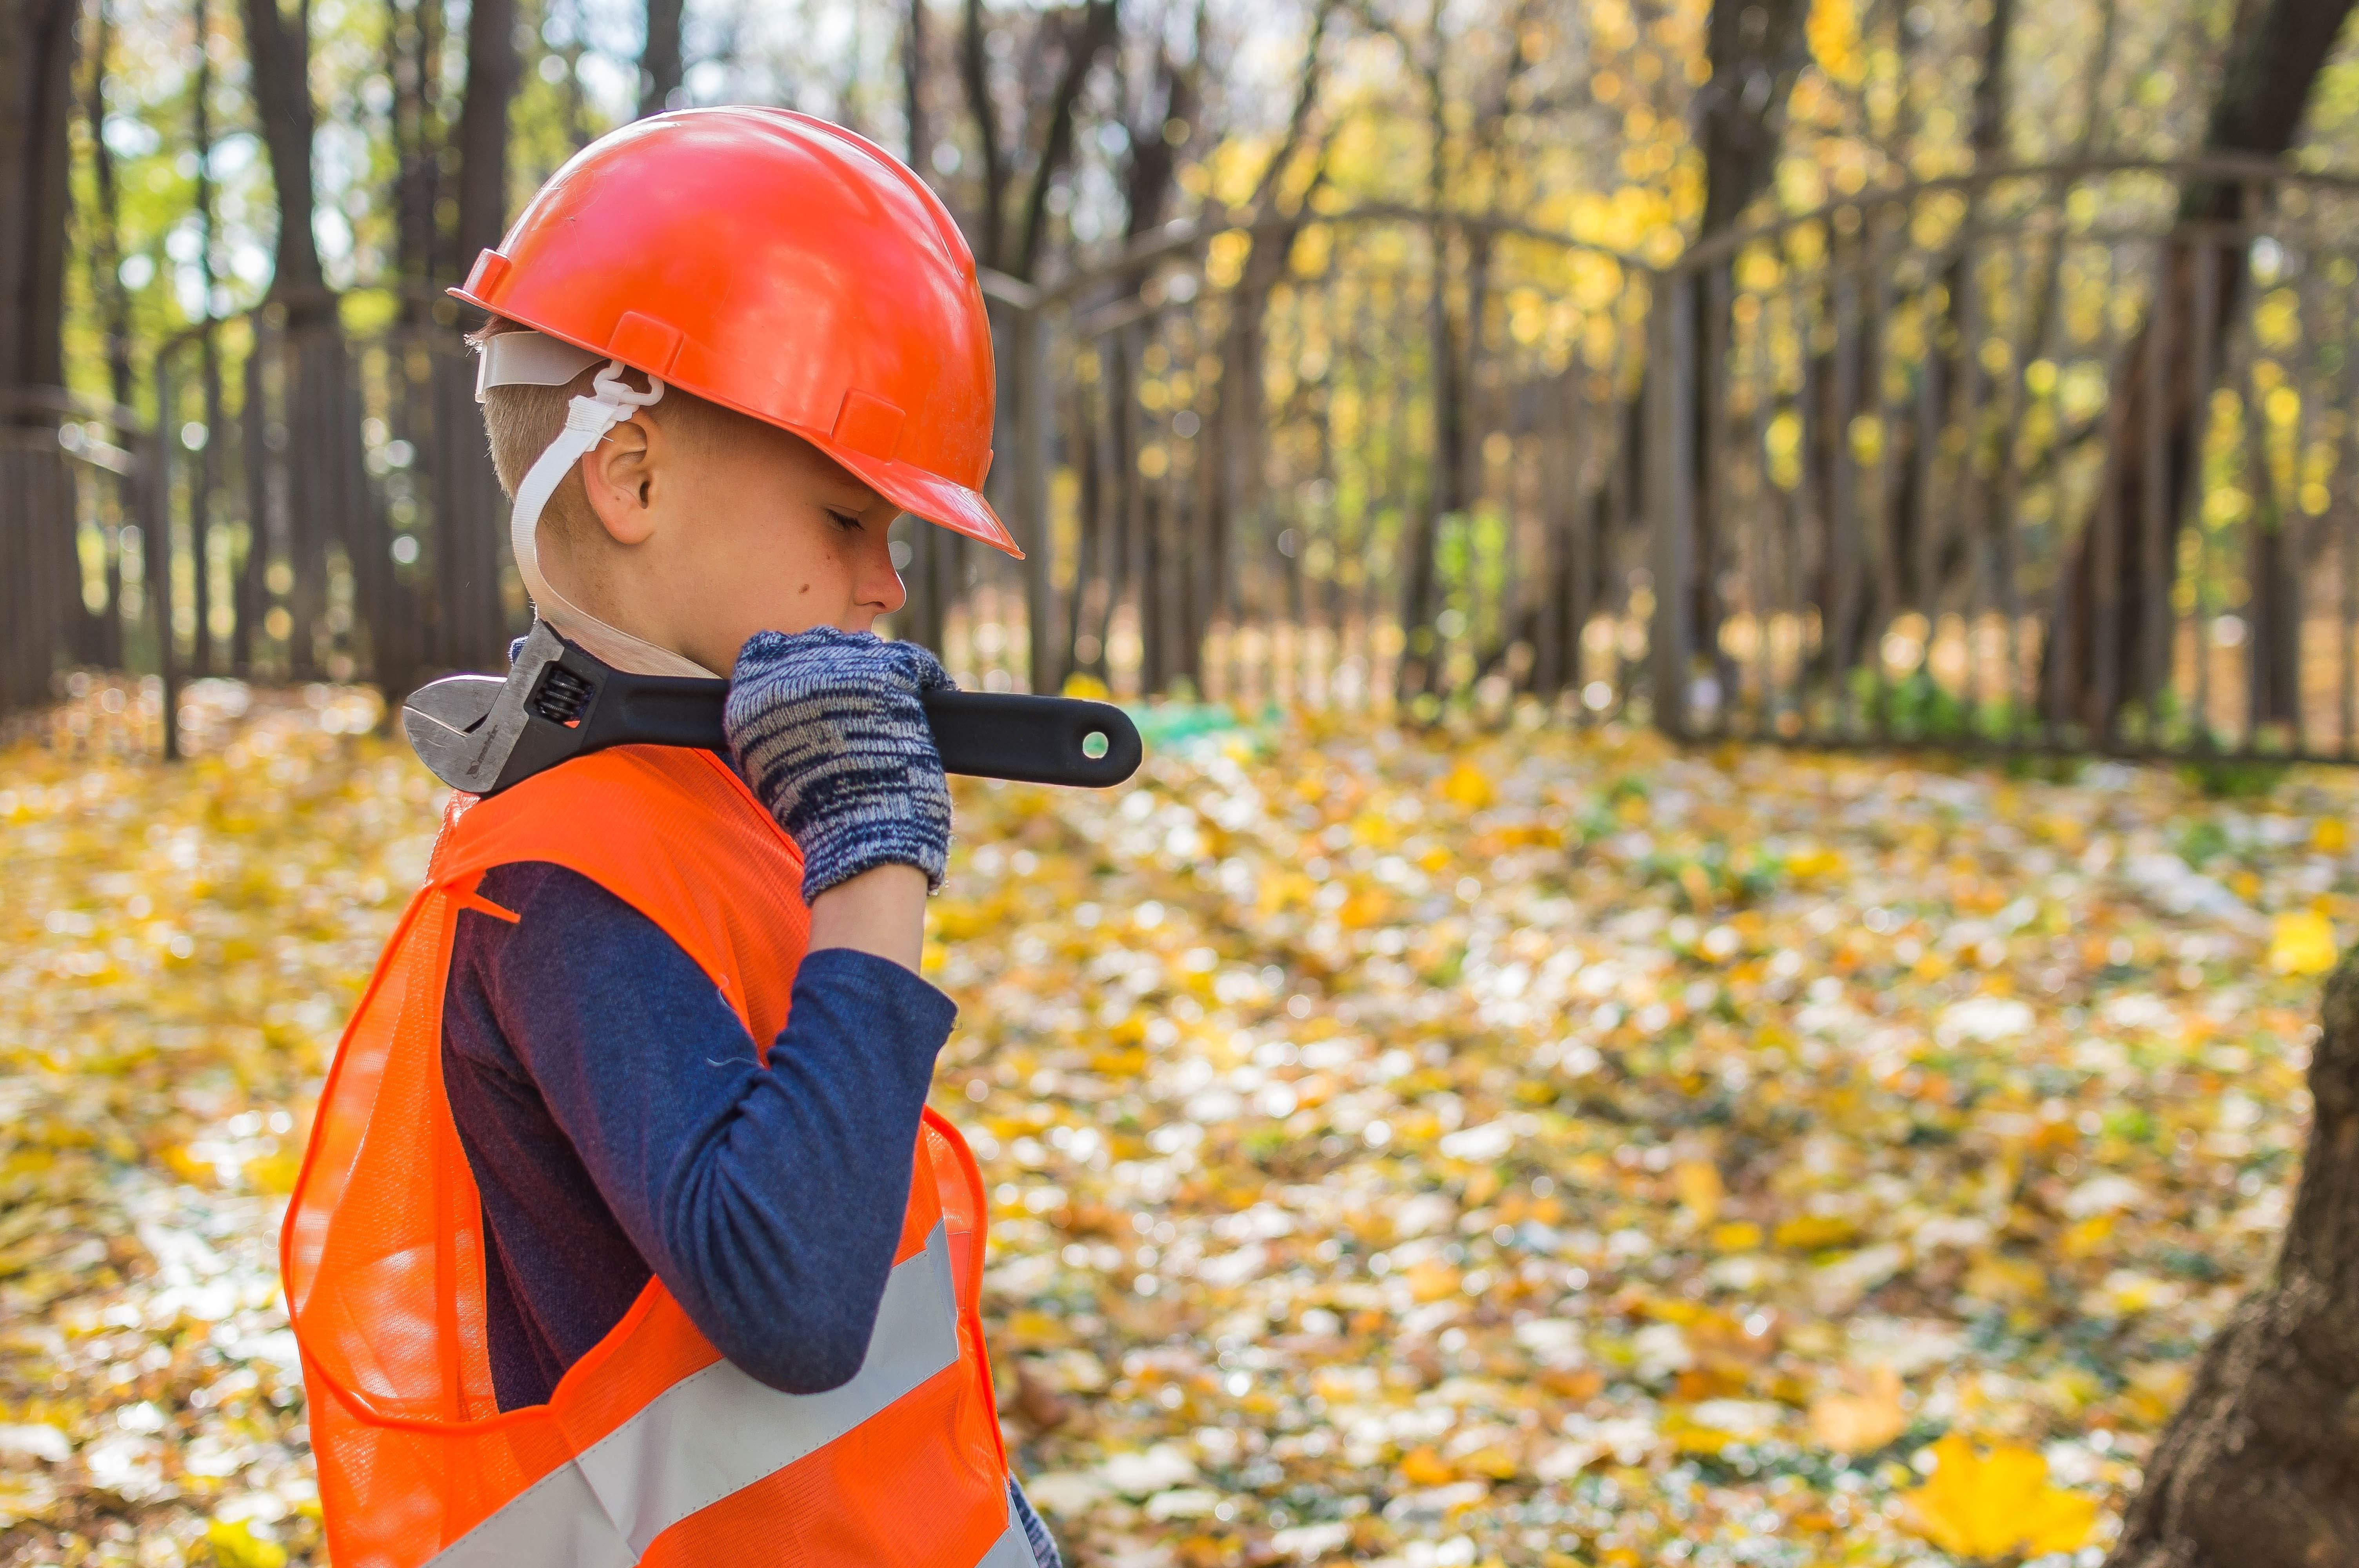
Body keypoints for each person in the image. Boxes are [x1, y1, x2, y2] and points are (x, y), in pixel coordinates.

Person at [280, 109, 1056, 1567]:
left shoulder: (697, 804)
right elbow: (795, 1297)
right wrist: (876, 853)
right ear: (629, 476)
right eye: (847, 517)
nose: (887, 585)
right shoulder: (563, 882)